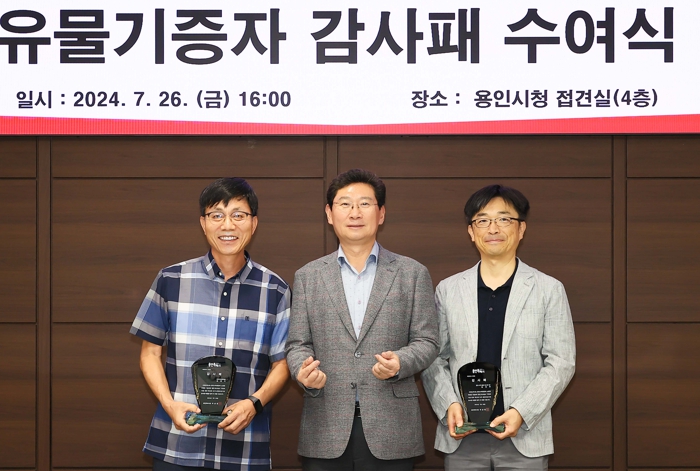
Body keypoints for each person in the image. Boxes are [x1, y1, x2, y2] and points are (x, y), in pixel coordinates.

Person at [130, 178, 291, 471]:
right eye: (217, 215)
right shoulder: (171, 280)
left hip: (244, 448)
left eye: (238, 215)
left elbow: (283, 364)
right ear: (203, 224)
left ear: (253, 223)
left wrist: (254, 403)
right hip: (177, 444)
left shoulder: (275, 290)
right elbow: (149, 353)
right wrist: (169, 404)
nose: (227, 225)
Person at [285, 168, 439, 471]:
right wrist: (302, 372)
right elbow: (297, 344)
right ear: (329, 214)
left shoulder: (412, 273)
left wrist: (401, 362)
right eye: (345, 204)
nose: (355, 212)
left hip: (392, 427)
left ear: (381, 214)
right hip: (325, 424)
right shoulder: (308, 276)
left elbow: (428, 341)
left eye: (365, 204)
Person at [421, 184, 576, 471]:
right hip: (463, 437)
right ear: (471, 231)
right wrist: (448, 405)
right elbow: (433, 357)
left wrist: (521, 411)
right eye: (483, 220)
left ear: (521, 228)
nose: (493, 228)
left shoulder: (548, 289)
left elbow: (561, 362)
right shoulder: (448, 290)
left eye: (504, 219)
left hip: (524, 437)